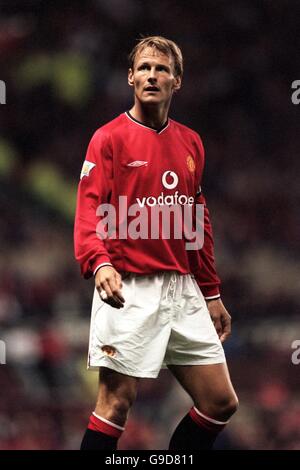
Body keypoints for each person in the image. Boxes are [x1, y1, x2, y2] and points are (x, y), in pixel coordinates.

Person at [74, 35, 238, 451]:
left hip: (181, 288)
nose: (152, 75)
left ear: (176, 81)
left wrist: (211, 292)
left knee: (220, 402)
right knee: (115, 404)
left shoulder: (191, 143)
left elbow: (195, 221)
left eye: (161, 69)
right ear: (130, 77)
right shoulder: (108, 138)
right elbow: (89, 210)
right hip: (129, 288)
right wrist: (100, 263)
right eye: (144, 67)